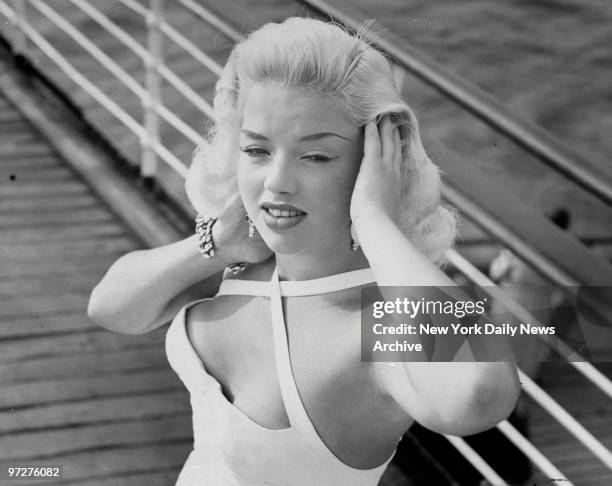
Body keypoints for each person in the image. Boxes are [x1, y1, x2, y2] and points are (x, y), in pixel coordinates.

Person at [88, 17, 520, 485]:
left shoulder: (376, 320)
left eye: (315, 156)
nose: (276, 183)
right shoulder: (241, 261)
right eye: (256, 151)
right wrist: (213, 244)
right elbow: (110, 309)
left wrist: (374, 217)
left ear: (374, 162)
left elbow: (480, 393)